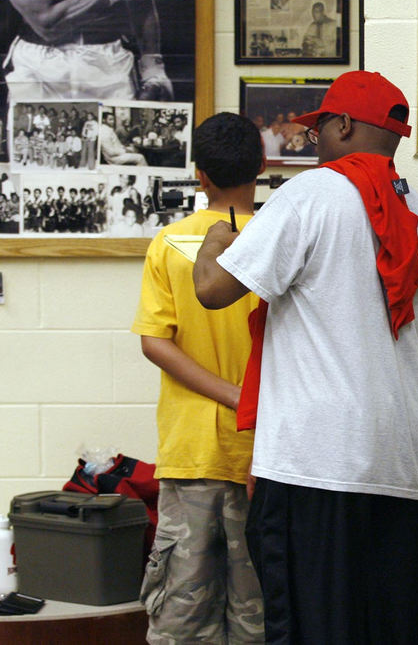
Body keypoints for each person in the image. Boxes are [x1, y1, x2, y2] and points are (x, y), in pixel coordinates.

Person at [193, 71, 418, 643]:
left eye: (318, 134)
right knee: (388, 629)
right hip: (399, 463)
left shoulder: (310, 195)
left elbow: (214, 289)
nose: (316, 146)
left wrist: (216, 240)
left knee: (313, 627)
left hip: (314, 464)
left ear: (341, 125)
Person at [132, 113, 266, 644]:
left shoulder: (169, 243)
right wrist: (244, 397)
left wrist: (230, 396)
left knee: (182, 620)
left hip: (191, 454)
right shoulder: (283, 241)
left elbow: (154, 341)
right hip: (266, 450)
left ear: (199, 175)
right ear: (261, 164)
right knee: (259, 616)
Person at [0, 0, 173, 101]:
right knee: (32, 134)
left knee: (114, 135)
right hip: (37, 66)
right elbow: (46, 25)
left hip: (108, 60)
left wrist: (153, 70)